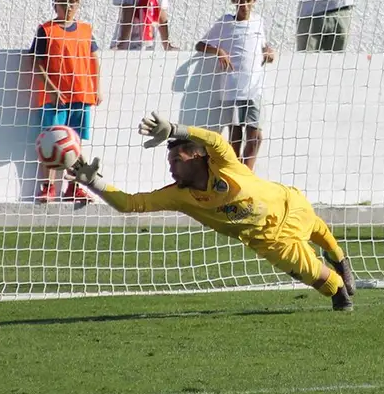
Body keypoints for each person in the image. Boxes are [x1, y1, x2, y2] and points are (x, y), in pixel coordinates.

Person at [67, 112, 357, 311]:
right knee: (325, 282)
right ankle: (342, 296)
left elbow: (215, 140)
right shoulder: (180, 196)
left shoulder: (222, 163)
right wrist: (94, 181)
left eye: (177, 159)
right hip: (271, 241)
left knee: (318, 227)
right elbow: (130, 204)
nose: (171, 166)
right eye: (170, 160)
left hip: (286, 203)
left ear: (196, 156)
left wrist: (176, 129)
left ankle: (341, 259)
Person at [31, 0, 101, 205]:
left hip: (80, 95)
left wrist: (96, 88)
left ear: (78, 4)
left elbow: (94, 60)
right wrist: (51, 87)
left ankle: (73, 187)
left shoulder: (86, 30)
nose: (68, 6)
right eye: (63, 2)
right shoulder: (46, 30)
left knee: (75, 144)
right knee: (52, 143)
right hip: (55, 99)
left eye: (72, 2)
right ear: (55, 4)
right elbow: (35, 62)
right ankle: (48, 187)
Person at [195, 0, 275, 170]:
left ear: (254, 0)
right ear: (233, 0)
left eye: (248, 0)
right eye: (240, 1)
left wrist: (268, 50)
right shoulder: (225, 23)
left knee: (256, 136)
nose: (244, 6)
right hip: (233, 88)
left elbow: (262, 45)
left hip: (255, 88)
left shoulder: (258, 22)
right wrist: (219, 51)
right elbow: (200, 44)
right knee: (235, 136)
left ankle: (247, 174)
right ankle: (234, 174)